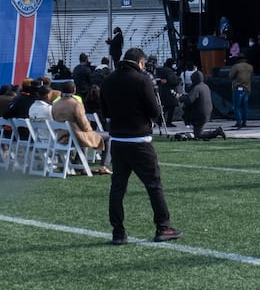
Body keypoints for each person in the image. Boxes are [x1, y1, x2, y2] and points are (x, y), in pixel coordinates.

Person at [100, 47, 179, 245]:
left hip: (118, 141)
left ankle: (118, 232)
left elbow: (104, 111)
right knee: (154, 185)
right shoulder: (142, 80)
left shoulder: (108, 80)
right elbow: (154, 111)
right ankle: (163, 227)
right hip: (139, 141)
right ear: (141, 63)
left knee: (117, 188)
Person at [49, 80, 109, 170]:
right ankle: (103, 165)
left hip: (61, 136)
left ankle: (79, 162)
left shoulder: (55, 104)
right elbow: (84, 124)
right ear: (74, 90)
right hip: (75, 136)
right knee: (108, 136)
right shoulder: (76, 104)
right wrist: (91, 131)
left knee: (84, 135)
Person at [181, 71, 212, 139]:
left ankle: (217, 132)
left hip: (199, 114)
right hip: (207, 112)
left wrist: (180, 98)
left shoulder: (197, 88)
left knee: (198, 135)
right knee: (198, 132)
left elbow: (189, 100)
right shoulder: (205, 86)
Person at [227, 54, 254, 129]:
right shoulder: (250, 67)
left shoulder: (236, 66)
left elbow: (230, 76)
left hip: (238, 88)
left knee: (237, 106)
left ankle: (239, 122)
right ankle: (244, 122)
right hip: (247, 89)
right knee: (245, 106)